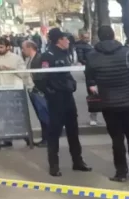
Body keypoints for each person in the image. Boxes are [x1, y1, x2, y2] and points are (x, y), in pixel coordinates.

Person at [85, 26, 129, 182]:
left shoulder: (92, 56)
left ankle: (121, 172)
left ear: (99, 38)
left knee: (117, 139)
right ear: (114, 36)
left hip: (109, 104)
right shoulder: (127, 52)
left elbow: (89, 78)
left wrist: (93, 86)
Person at [40, 28, 91, 177]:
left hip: (68, 97)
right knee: (54, 133)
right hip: (56, 99)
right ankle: (54, 165)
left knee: (73, 131)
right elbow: (43, 79)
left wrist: (72, 85)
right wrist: (51, 92)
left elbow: (67, 75)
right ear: (59, 40)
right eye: (65, 38)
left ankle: (77, 161)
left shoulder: (65, 53)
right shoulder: (47, 56)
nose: (68, 41)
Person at [0, 37, 24, 147]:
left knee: (19, 115)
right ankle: (7, 139)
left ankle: (25, 135)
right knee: (3, 116)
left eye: (1, 47)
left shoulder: (16, 58)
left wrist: (9, 69)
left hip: (15, 90)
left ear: (8, 47)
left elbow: (24, 73)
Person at [21, 41, 48, 147]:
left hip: (39, 91)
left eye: (23, 48)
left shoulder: (40, 58)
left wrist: (33, 77)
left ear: (30, 48)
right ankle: (44, 138)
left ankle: (47, 139)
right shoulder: (28, 60)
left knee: (44, 115)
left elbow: (44, 74)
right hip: (32, 90)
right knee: (40, 115)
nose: (22, 51)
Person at [74, 30, 100, 126]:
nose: (87, 39)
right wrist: (90, 64)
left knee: (96, 95)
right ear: (81, 37)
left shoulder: (88, 45)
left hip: (93, 70)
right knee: (93, 95)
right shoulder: (81, 46)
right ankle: (93, 118)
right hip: (90, 72)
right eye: (85, 37)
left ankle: (94, 117)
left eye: (88, 37)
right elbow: (81, 59)